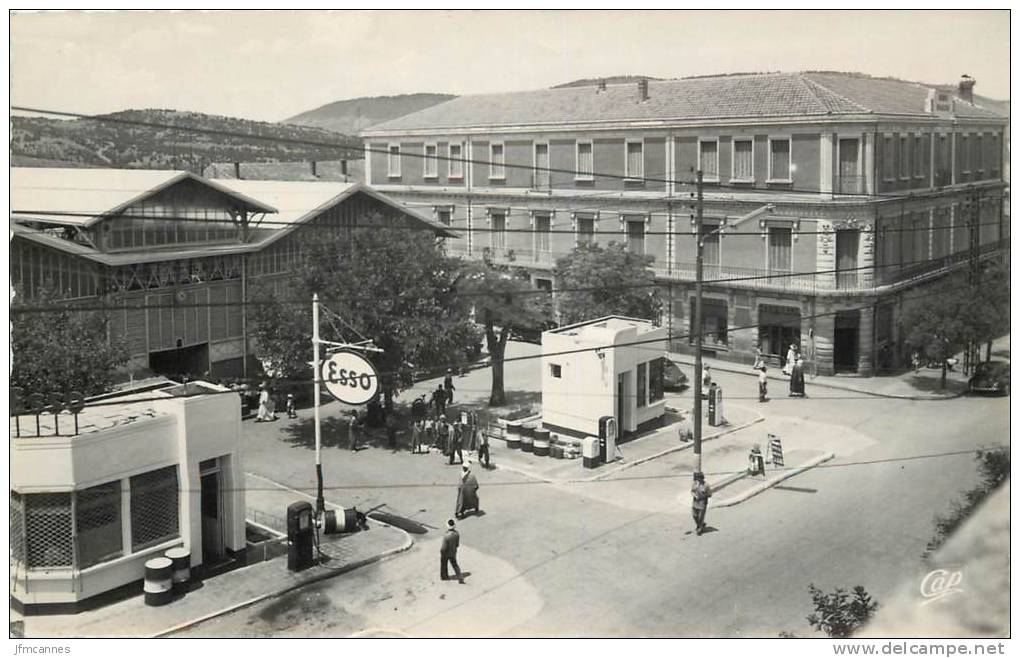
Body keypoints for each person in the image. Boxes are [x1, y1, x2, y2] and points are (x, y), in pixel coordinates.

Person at [440, 519, 465, 584]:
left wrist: (442, 552)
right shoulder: (457, 533)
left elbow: (443, 548)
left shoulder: (446, 536)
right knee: (455, 564)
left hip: (446, 553)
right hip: (453, 552)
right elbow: (457, 544)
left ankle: (444, 576)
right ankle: (460, 577)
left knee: (444, 564)